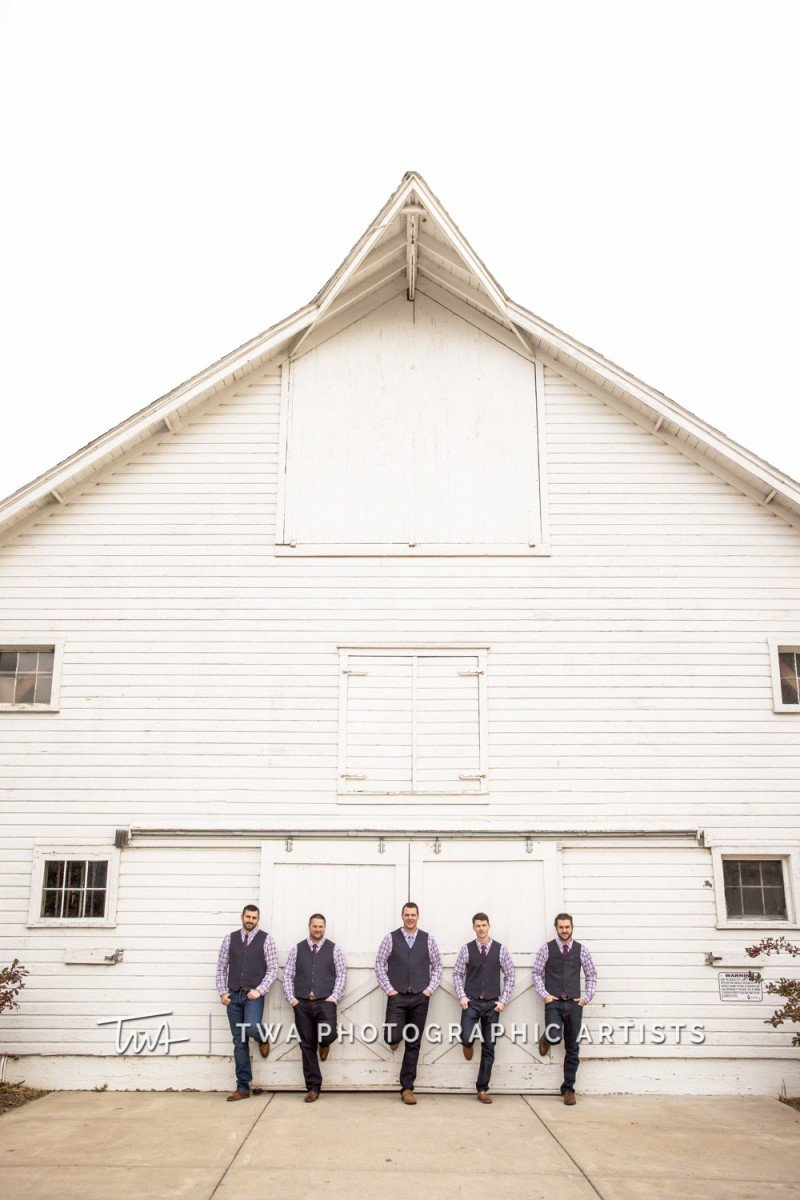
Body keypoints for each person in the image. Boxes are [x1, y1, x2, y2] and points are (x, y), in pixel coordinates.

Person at [375, 902, 442, 1104]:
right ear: (402, 916)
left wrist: (429, 990)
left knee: (413, 1043)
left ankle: (406, 1088)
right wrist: (390, 991)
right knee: (392, 1034)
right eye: (407, 914)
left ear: (418, 916)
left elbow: (438, 965)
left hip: (420, 998)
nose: (410, 918)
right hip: (398, 996)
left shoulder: (428, 939)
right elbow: (379, 963)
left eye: (413, 914)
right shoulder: (390, 938)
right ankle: (395, 1038)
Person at [532, 912, 597, 1106]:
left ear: (572, 927)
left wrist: (585, 998)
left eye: (567, 927)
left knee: (573, 1048)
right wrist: (545, 995)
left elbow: (592, 975)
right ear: (556, 928)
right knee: (555, 1034)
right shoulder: (547, 949)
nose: (564, 930)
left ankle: (568, 1089)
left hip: (575, 1004)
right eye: (561, 927)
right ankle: (547, 1038)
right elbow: (536, 973)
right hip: (554, 1002)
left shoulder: (581, 950)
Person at [216, 903, 278, 1101]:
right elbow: (221, 967)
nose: (250, 920)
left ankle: (262, 1037)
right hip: (233, 996)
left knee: (251, 1027)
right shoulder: (230, 939)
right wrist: (222, 992)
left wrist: (259, 990)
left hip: (253, 995)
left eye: (254, 918)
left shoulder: (266, 939)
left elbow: (273, 969)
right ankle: (243, 1087)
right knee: (239, 1042)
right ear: (242, 917)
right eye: (248, 917)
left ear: (258, 919)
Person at [283, 913, 347, 1102]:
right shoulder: (297, 949)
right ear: (309, 927)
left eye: (321, 926)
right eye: (314, 926)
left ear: (324, 928)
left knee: (328, 1034)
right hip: (302, 1002)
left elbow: (342, 974)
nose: (317, 929)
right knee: (306, 1044)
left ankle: (325, 1043)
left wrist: (334, 998)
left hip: (324, 1002)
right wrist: (292, 999)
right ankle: (313, 1086)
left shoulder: (334, 949)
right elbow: (288, 975)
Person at [453, 912, 516, 1103]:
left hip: (491, 1004)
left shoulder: (501, 950)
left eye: (484, 925)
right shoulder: (466, 949)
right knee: (465, 1035)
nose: (481, 928)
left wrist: (503, 1000)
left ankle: (482, 1088)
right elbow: (457, 974)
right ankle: (468, 1044)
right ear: (473, 927)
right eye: (477, 925)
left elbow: (510, 975)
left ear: (489, 926)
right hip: (471, 1002)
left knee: (489, 1047)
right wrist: (462, 996)